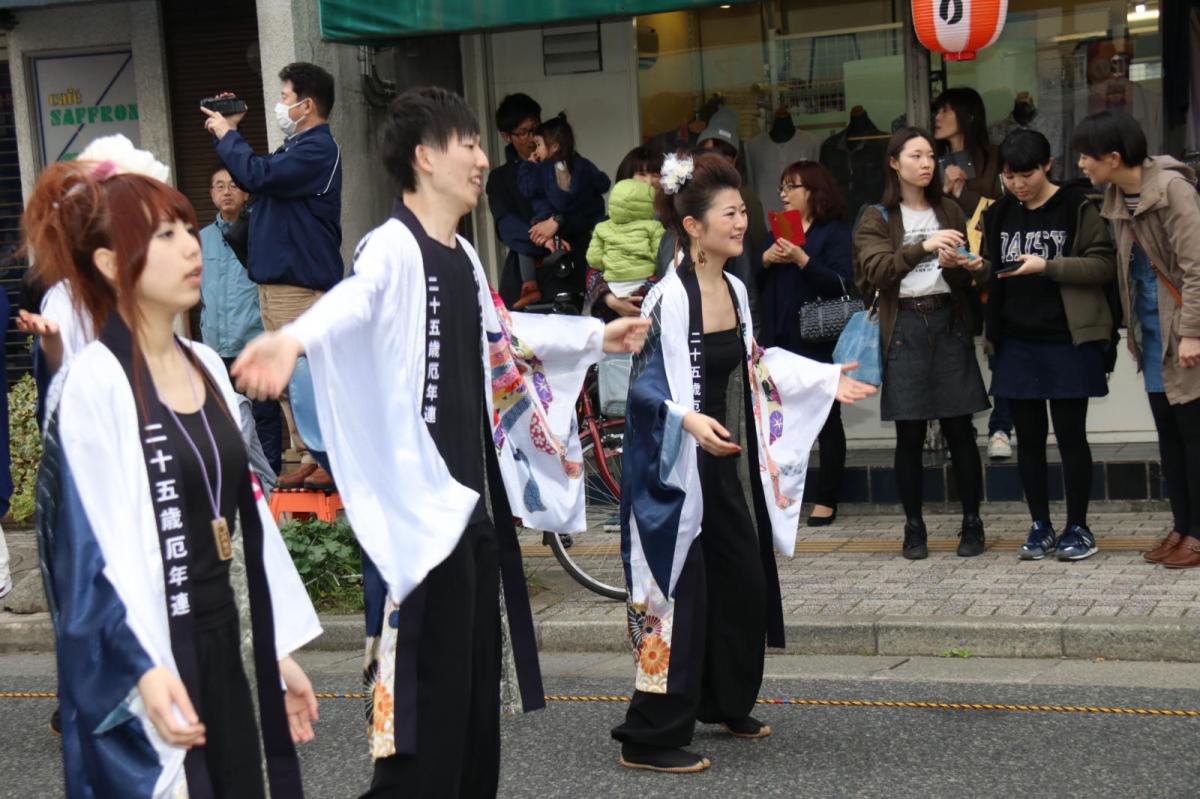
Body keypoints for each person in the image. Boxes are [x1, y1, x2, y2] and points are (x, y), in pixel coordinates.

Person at [231, 86, 650, 797]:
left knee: (470, 705)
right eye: (471, 144)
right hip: (416, 528)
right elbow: (354, 298)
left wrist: (594, 334)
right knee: (420, 722)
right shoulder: (392, 247)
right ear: (425, 158)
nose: (485, 158)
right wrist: (292, 338)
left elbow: (501, 334)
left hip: (467, 511)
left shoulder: (464, 255)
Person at [24, 154, 320, 796]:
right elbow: (82, 559)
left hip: (227, 644)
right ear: (108, 263)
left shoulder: (209, 366)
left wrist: (275, 648)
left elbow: (244, 519)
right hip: (155, 652)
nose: (192, 246)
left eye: (188, 228)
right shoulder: (92, 384)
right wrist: (139, 671)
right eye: (165, 235)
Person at [611, 151, 874, 773]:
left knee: (742, 581)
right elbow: (643, 389)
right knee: (677, 599)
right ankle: (650, 733)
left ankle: (722, 700)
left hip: (722, 459)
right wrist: (686, 419)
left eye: (742, 210)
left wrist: (823, 380)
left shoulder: (733, 286)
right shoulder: (665, 300)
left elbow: (756, 361)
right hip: (673, 469)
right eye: (730, 212)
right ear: (693, 227)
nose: (742, 221)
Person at [971, 129, 1117, 560]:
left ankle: (1079, 526)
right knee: (1029, 440)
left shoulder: (1076, 206)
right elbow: (994, 273)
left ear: (1048, 165)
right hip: (1016, 340)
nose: (1019, 184)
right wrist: (974, 266)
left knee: (1071, 436)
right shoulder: (998, 214)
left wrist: (1048, 266)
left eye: (1028, 174)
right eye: (1011, 176)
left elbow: (1102, 264)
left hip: (1068, 339)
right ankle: (1040, 525)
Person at [202, 62, 343, 490]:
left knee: (303, 375)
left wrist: (228, 134)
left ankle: (326, 459)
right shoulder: (294, 147)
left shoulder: (317, 149)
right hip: (275, 283)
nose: (280, 105)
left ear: (307, 104)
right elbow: (256, 174)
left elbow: (254, 175)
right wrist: (231, 128)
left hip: (298, 285)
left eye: (284, 97)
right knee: (285, 381)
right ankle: (308, 454)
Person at [854, 127, 990, 560]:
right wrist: (924, 246)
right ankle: (914, 527)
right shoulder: (876, 215)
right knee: (908, 434)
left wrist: (961, 264)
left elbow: (969, 275)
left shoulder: (948, 207)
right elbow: (877, 271)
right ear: (895, 163)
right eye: (915, 155)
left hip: (948, 320)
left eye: (930, 155)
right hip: (905, 326)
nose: (926, 163)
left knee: (961, 430)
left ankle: (972, 521)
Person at [1075, 110, 1200, 569]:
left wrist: (1192, 332)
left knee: (1193, 436)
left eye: (1087, 156)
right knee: (1168, 434)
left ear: (1113, 156)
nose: (1082, 165)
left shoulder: (1172, 190)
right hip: (1151, 336)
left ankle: (1198, 533)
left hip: (1183, 331)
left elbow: (1196, 266)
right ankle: (1182, 525)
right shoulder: (1114, 196)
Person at [760, 160, 854, 527]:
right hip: (780, 337)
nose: (783, 194)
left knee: (828, 420)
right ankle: (784, 493)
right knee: (782, 421)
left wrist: (803, 259)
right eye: (782, 187)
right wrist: (765, 260)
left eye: (792, 187)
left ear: (813, 192)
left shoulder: (834, 231)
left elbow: (841, 283)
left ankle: (827, 497)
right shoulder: (779, 229)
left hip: (818, 338)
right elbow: (756, 279)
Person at [934, 87, 1013, 459]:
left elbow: (1004, 208)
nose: (938, 117)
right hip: (949, 269)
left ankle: (1001, 428)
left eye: (946, 110)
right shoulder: (931, 162)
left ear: (968, 115)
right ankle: (957, 431)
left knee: (1001, 348)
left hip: (991, 265)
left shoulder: (995, 158)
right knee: (955, 350)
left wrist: (961, 192)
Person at [200, 164, 283, 474]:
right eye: (219, 186)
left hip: (253, 342)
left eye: (233, 185)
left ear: (246, 192)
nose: (226, 191)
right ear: (211, 194)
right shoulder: (201, 238)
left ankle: (271, 484)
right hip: (215, 347)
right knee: (222, 418)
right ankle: (235, 482)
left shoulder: (260, 232)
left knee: (264, 416)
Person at [512, 113, 610, 309]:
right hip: (583, 233)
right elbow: (603, 182)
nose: (536, 150)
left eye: (538, 145)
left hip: (549, 224)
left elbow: (527, 187)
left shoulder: (545, 168)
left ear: (554, 146)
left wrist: (527, 165)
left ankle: (530, 285)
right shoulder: (582, 164)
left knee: (528, 241)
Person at [585, 178, 663, 301]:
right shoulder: (654, 226)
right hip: (644, 280)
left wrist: (611, 266)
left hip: (613, 283)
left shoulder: (601, 227)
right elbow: (660, 255)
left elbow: (593, 258)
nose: (648, 180)